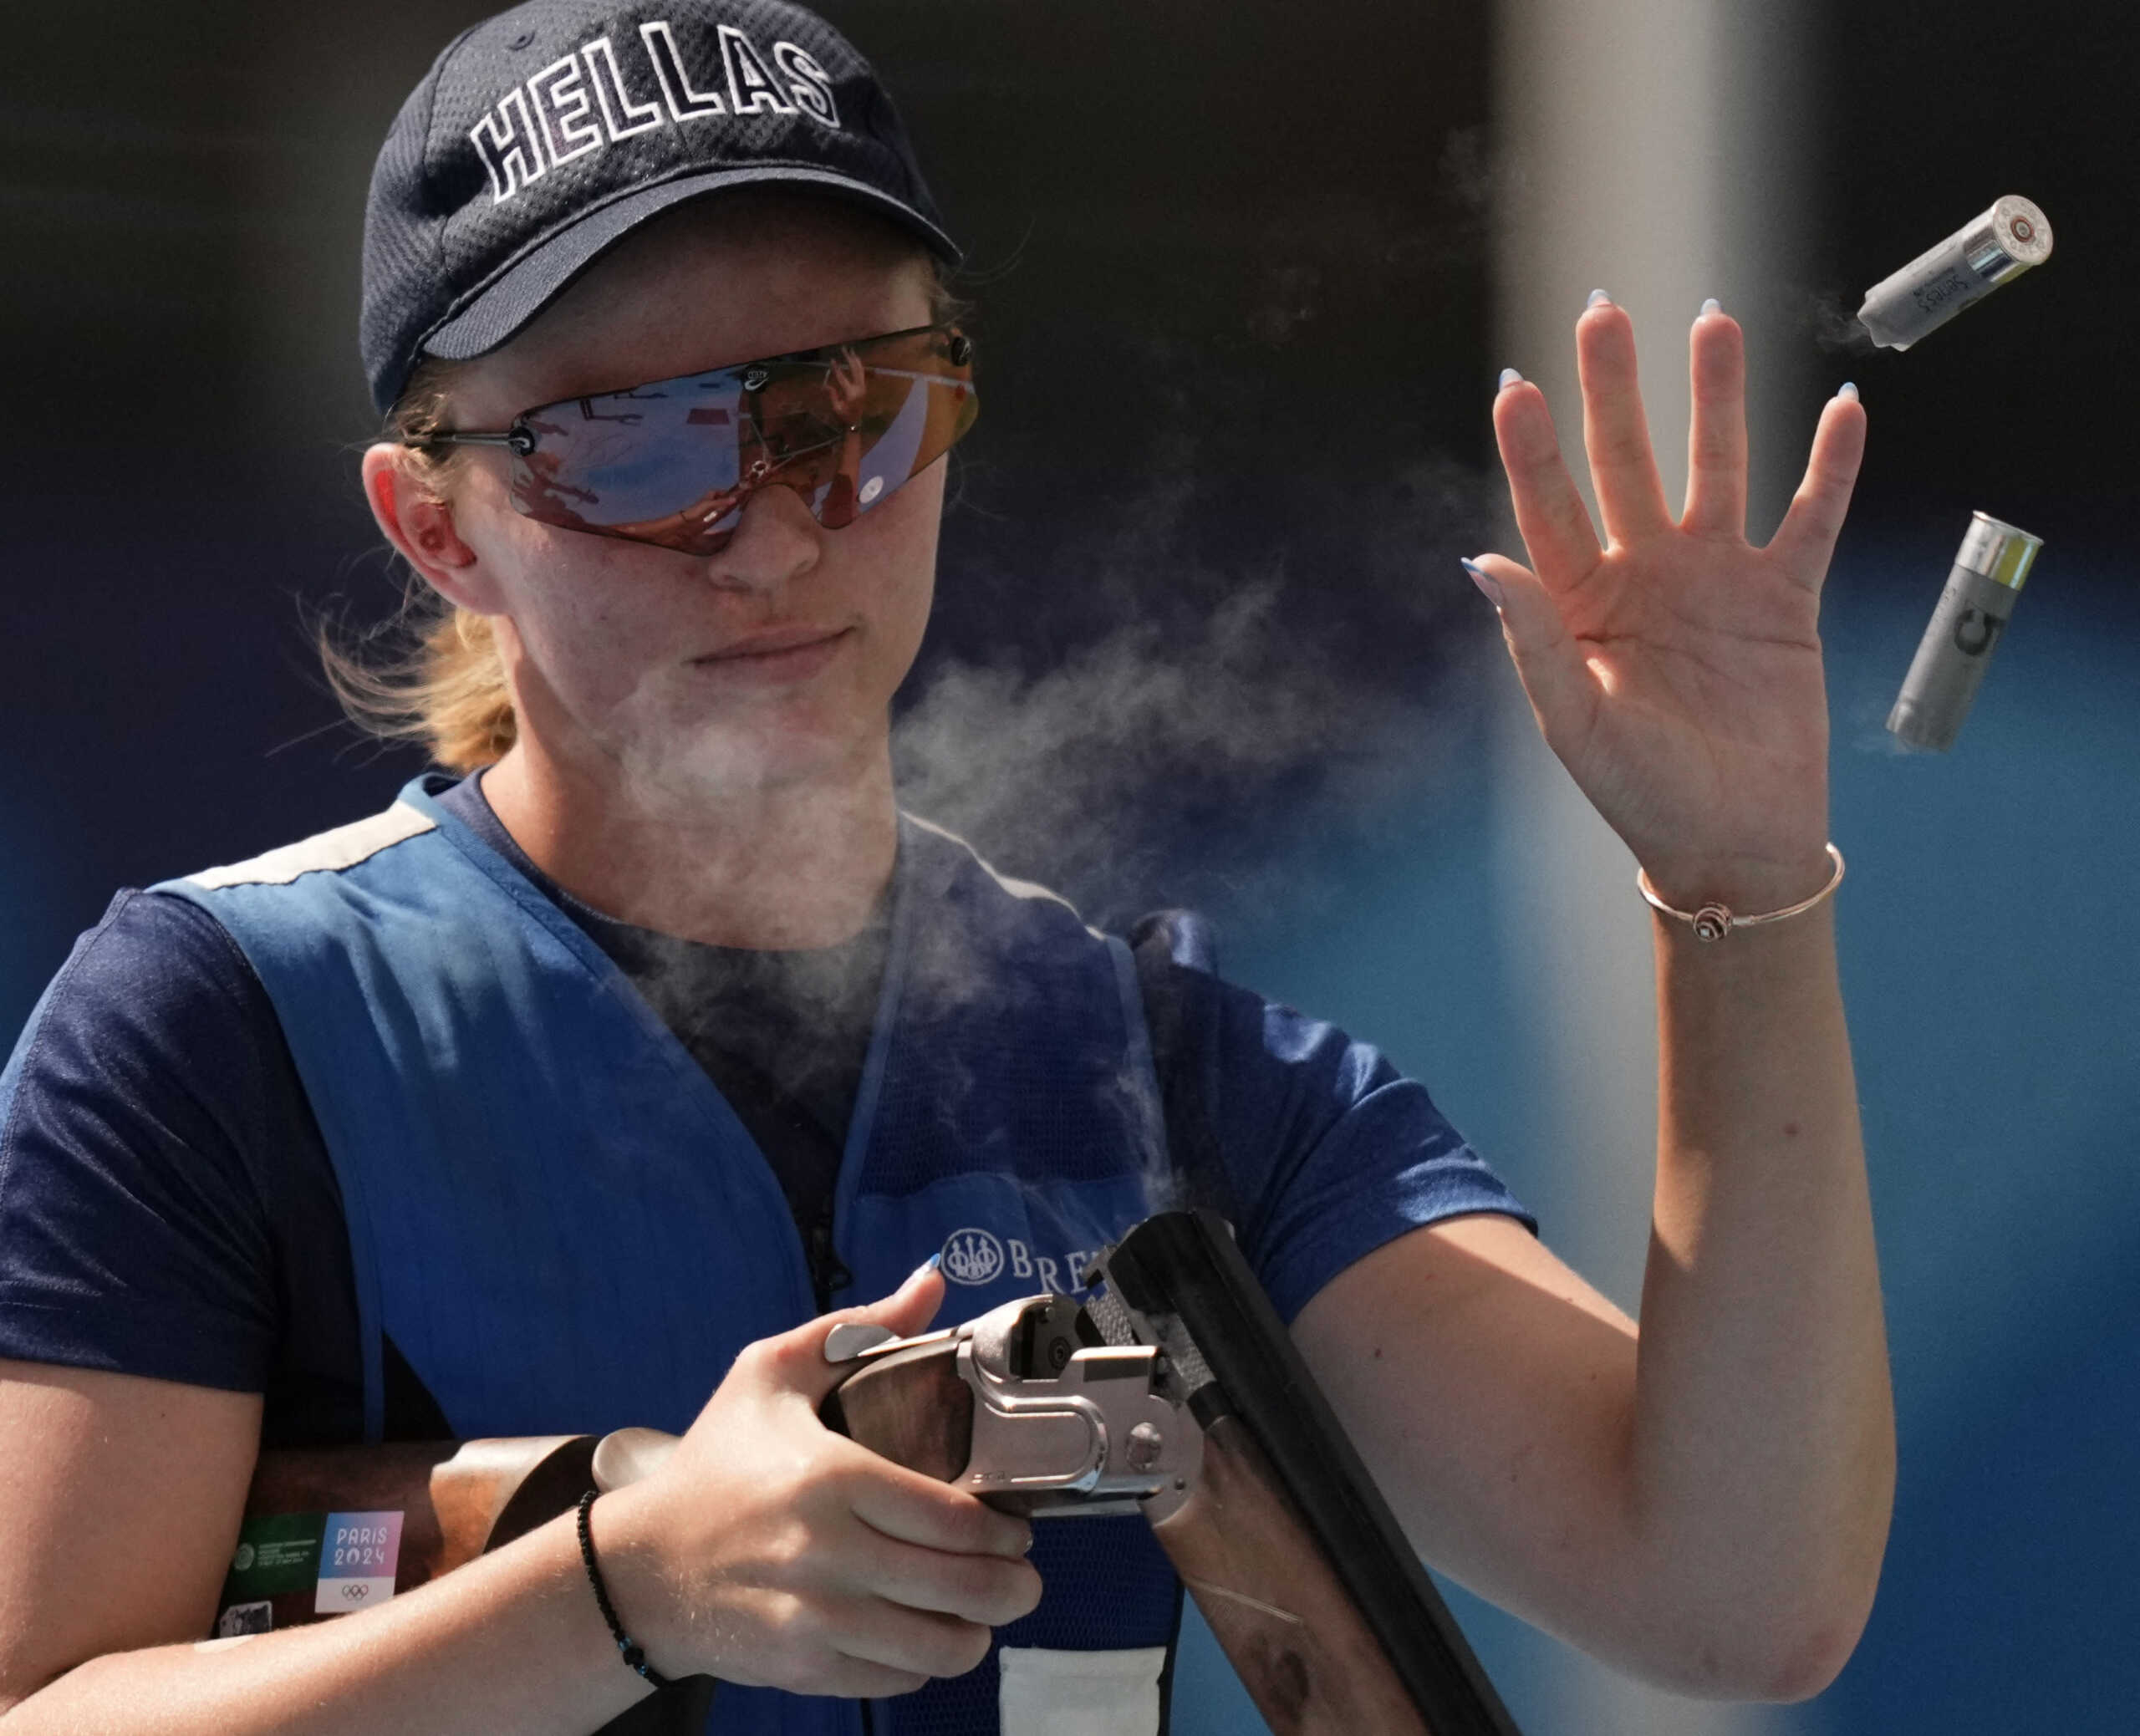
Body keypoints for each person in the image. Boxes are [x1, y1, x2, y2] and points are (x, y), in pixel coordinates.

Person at [0, 1, 1893, 1731]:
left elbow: (1729, 1595)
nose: (766, 541)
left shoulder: (1168, 1071)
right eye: (634, 449)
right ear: (437, 525)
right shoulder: (219, 1026)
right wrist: (625, 1589)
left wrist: (1735, 886)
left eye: (847, 415)